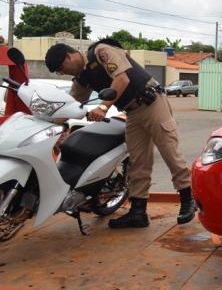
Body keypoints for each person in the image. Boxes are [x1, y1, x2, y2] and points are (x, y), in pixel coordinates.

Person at [44, 40, 196, 228]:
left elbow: (122, 79)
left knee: (169, 153)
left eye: (61, 68)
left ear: (69, 56)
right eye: (58, 72)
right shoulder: (82, 78)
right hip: (131, 112)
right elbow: (72, 104)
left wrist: (102, 107)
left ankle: (188, 199)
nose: (62, 73)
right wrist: (48, 124)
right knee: (138, 163)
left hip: (152, 103)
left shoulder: (101, 52)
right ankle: (138, 213)